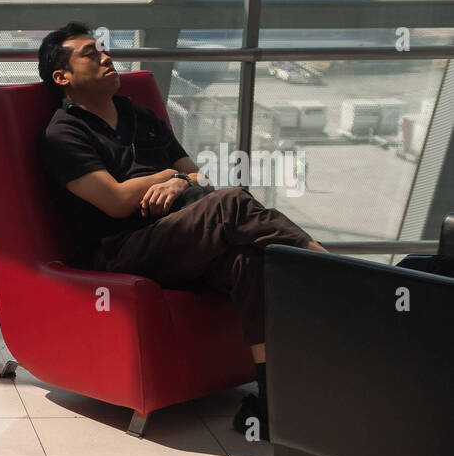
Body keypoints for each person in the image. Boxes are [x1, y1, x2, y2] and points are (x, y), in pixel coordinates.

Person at [36, 22, 331, 434]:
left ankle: (271, 402)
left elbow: (198, 178)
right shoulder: (63, 133)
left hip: (178, 236)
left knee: (246, 261)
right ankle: (333, 274)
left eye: (104, 50)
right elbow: (117, 201)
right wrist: (166, 175)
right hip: (120, 250)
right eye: (90, 54)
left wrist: (178, 181)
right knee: (232, 202)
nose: (106, 57)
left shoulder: (141, 116)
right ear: (62, 77)